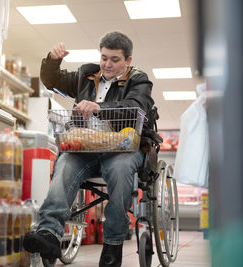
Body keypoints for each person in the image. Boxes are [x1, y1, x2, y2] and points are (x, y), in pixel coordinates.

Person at [23, 31, 154, 267]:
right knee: (64, 164)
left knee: (120, 169)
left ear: (128, 61)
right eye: (104, 57)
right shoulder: (87, 74)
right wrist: (53, 61)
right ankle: (49, 234)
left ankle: (113, 243)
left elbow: (136, 105)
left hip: (123, 149)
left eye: (115, 59)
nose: (107, 64)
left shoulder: (139, 80)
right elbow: (51, 82)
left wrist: (99, 107)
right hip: (85, 147)